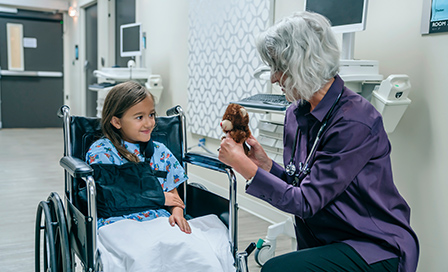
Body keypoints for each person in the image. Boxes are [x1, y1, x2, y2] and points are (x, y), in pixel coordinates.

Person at [218, 11, 419, 272]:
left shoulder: (354, 121)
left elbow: (306, 202)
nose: (273, 78)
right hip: (328, 237)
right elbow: (304, 183)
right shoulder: (295, 113)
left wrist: (246, 169)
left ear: (304, 64)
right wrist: (266, 165)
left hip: (372, 246)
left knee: (276, 269)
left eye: (279, 68)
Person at [86, 81, 190, 233]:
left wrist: (177, 214)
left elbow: (173, 196)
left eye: (152, 115)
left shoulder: (160, 152)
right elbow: (108, 197)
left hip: (158, 222)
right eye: (139, 117)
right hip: (117, 223)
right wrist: (157, 197)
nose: (149, 123)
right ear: (116, 121)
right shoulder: (102, 152)